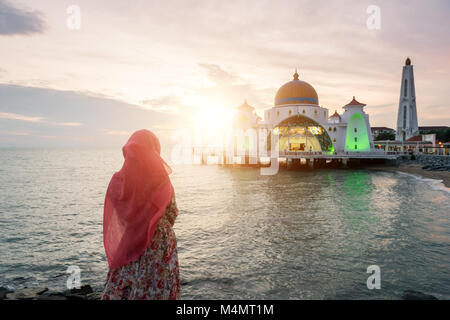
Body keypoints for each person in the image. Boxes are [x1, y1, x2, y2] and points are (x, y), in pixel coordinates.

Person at [102, 130, 180, 300]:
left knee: (126, 283)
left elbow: (117, 216)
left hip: (129, 240)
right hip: (159, 242)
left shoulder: (118, 180)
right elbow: (172, 212)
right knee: (159, 286)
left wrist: (135, 225)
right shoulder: (160, 179)